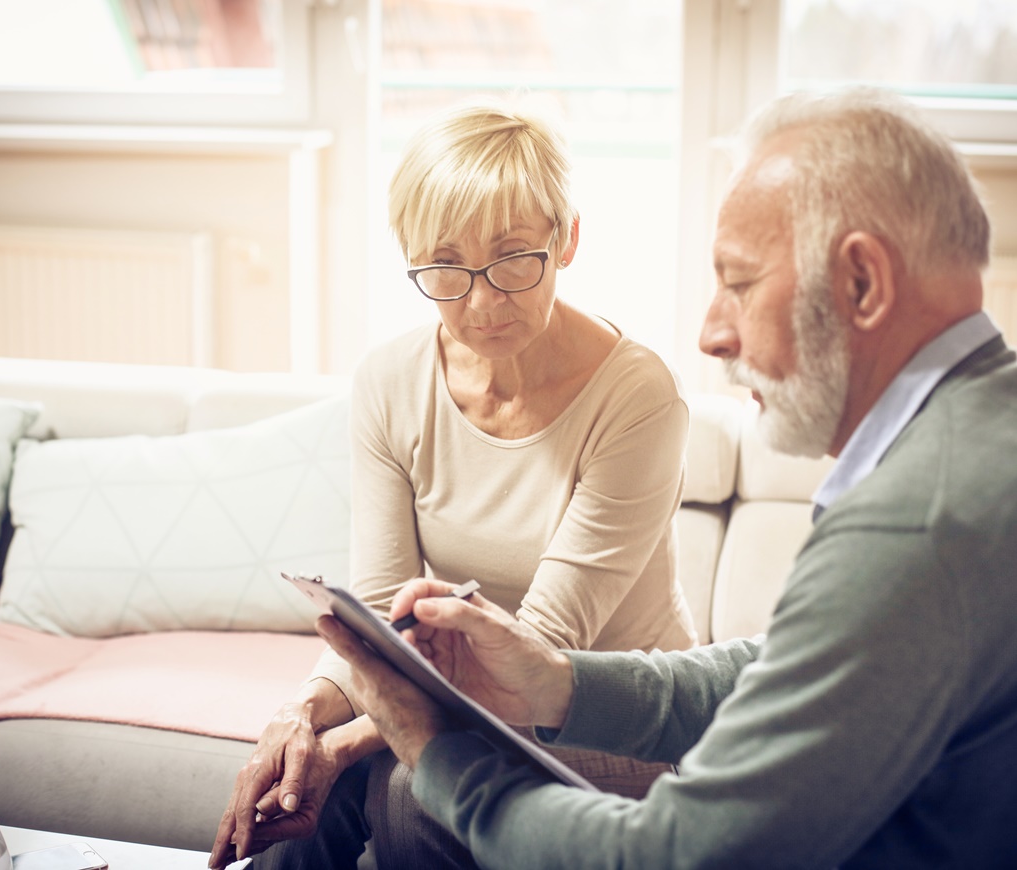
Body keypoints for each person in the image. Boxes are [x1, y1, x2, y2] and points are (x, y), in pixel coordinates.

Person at [314, 86, 1017, 868]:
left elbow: (677, 856)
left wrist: (441, 757)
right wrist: (557, 683)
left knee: (408, 803)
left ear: (862, 282)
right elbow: (781, 666)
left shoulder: (918, 520)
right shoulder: (978, 440)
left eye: (740, 282)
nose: (712, 334)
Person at [209, 101, 698, 869]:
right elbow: (375, 621)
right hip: (472, 697)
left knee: (405, 785)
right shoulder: (390, 381)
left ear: (566, 240)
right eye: (445, 267)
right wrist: (301, 716)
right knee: (298, 782)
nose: (481, 302)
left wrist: (350, 742)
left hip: (606, 723)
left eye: (511, 259)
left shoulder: (638, 397)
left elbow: (541, 649)